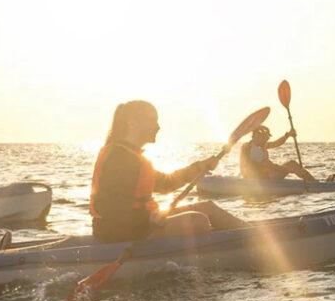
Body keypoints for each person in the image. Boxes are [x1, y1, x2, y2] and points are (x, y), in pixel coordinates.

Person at [91, 100, 248, 243]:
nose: (158, 126)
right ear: (133, 124)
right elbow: (108, 206)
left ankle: (250, 236)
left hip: (136, 226)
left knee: (207, 207)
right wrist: (148, 219)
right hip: (123, 232)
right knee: (198, 220)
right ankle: (247, 242)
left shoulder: (130, 155)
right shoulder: (119, 157)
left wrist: (200, 166)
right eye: (152, 120)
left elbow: (166, 184)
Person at [240, 125, 317, 183]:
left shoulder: (254, 145)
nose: (267, 140)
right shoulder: (255, 150)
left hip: (256, 177)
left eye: (267, 138)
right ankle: (315, 184)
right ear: (258, 136)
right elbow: (272, 166)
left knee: (290, 164)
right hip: (261, 180)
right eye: (266, 138)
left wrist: (288, 135)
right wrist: (294, 171)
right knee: (292, 164)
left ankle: (313, 182)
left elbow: (276, 143)